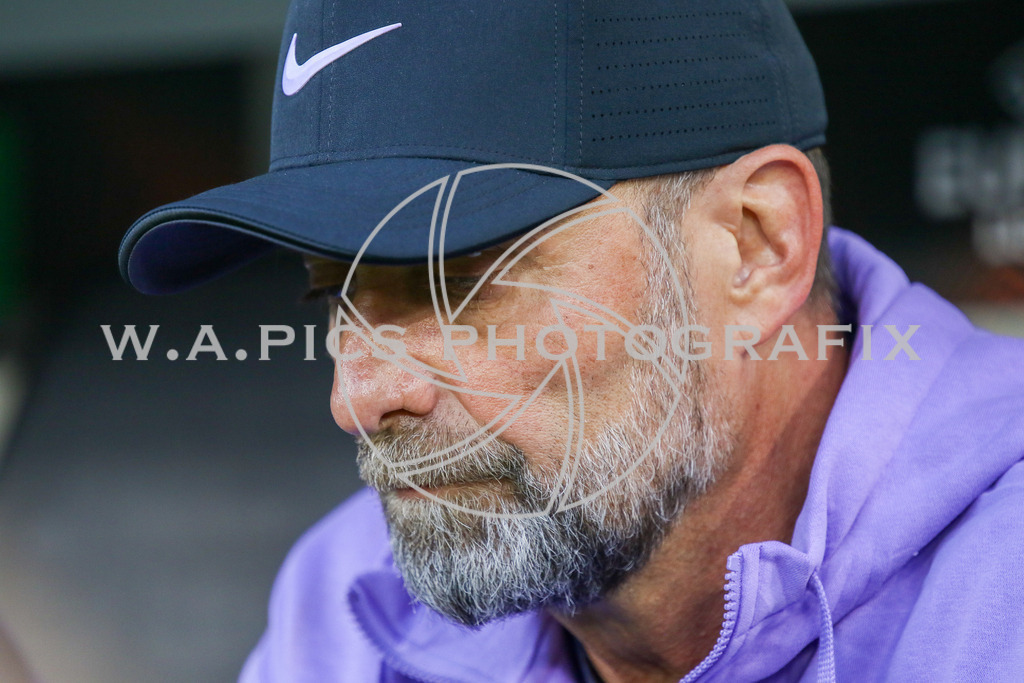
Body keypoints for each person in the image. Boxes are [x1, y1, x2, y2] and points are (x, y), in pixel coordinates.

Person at [119, 0, 1024, 681]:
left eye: (463, 276)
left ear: (756, 243)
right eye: (334, 297)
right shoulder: (345, 598)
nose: (357, 397)